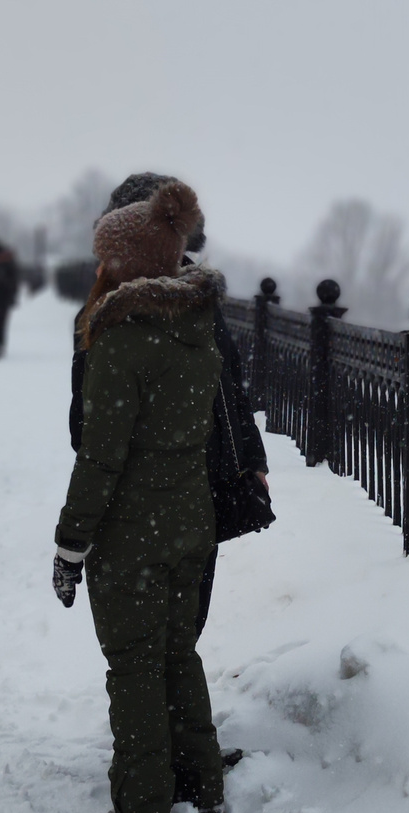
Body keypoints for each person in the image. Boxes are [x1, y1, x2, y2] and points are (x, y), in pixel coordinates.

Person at [53, 181, 227, 813]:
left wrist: (71, 545)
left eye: (107, 254)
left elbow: (100, 460)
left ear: (126, 261)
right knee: (179, 658)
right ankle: (205, 786)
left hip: (133, 536)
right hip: (188, 524)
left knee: (133, 669)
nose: (100, 265)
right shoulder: (196, 328)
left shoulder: (123, 340)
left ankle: (144, 805)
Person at [69, 173, 269, 637]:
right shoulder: (108, 315)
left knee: (178, 627)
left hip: (203, 484)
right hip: (145, 493)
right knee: (154, 633)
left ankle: (166, 708)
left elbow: (230, 387)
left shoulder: (198, 300)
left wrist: (250, 458)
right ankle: (162, 709)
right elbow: (88, 423)